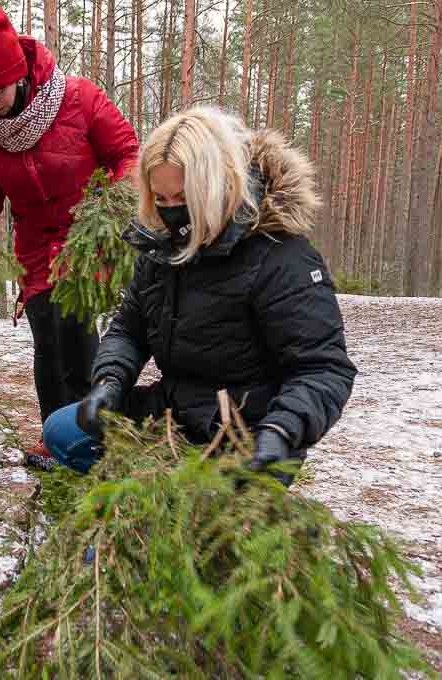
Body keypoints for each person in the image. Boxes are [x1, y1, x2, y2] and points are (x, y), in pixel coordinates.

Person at [41, 107, 358, 482]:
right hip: (177, 409)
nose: (171, 213)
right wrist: (109, 383)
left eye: (182, 198)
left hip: (247, 431)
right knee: (64, 429)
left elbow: (323, 368)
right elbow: (129, 329)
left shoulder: (282, 258)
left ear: (217, 186)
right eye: (161, 199)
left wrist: (281, 432)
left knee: (177, 522)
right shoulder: (163, 249)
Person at [0, 4, 139, 468]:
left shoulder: (79, 98)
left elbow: (128, 154)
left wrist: (113, 206)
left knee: (78, 337)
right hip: (36, 249)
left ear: (18, 74)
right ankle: (55, 439)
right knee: (47, 341)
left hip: (87, 237)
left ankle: (94, 438)